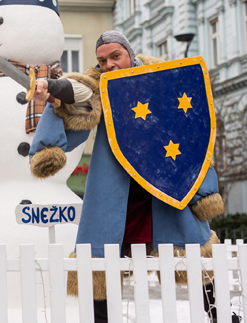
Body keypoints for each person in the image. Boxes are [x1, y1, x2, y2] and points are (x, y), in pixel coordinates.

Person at [30, 30, 226, 323]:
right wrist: (54, 92)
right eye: (102, 60)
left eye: (115, 56)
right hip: (116, 191)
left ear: (130, 55)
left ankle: (219, 315)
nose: (108, 64)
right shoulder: (98, 86)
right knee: (100, 260)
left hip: (162, 187)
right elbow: (76, 93)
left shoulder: (158, 82)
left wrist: (203, 191)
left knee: (195, 251)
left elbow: (191, 140)